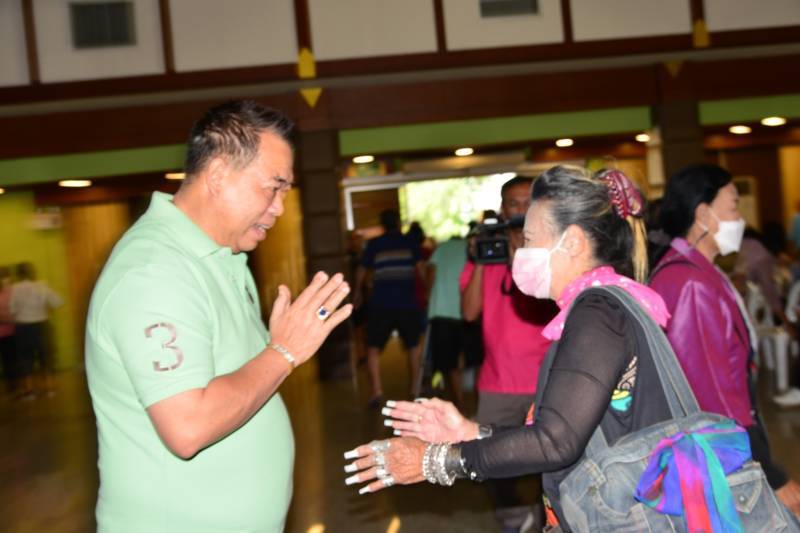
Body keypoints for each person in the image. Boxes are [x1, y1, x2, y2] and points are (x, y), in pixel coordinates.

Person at [345, 166, 676, 532]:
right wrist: (469, 432)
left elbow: (555, 443)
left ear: (573, 242)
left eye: (530, 240)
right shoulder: (602, 305)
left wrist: (435, 461)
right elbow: (566, 430)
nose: (521, 251)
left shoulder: (598, 314)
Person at [85, 100, 352, 533]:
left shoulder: (222, 255)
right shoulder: (154, 273)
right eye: (273, 187)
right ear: (218, 175)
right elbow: (188, 427)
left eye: (285, 191)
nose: (279, 207)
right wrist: (283, 352)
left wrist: (274, 351)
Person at [650, 163, 800, 517]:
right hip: (715, 451)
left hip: (720, 445)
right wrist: (769, 471)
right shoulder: (689, 283)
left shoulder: (700, 270)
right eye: (733, 207)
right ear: (703, 214)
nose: (740, 219)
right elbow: (710, 393)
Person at [460, 176, 558, 532]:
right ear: (502, 210)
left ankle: (547, 518)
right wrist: (481, 260)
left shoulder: (552, 252)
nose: (520, 210)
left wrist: (525, 254)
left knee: (551, 462)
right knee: (490, 461)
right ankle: (514, 518)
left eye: (527, 202)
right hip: (497, 382)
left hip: (546, 380)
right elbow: (469, 312)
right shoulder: (490, 252)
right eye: (513, 204)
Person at [353, 209, 426, 407]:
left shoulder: (374, 244)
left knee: (373, 347)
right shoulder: (410, 242)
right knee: (413, 346)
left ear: (383, 225)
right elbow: (421, 270)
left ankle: (376, 390)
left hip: (381, 304)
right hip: (407, 303)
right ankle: (415, 389)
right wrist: (426, 291)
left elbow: (361, 269)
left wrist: (357, 291)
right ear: (398, 223)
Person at [425, 234, 468, 408]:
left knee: (449, 363)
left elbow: (431, 273)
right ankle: (471, 402)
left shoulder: (442, 248)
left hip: (441, 311)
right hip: (467, 311)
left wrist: (428, 295)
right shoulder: (470, 248)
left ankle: (459, 401)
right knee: (468, 359)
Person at [10, 261, 62, 398]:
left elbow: (12, 309)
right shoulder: (42, 286)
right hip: (41, 325)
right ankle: (50, 389)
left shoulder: (15, 288)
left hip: (23, 327)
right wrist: (46, 309)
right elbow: (58, 302)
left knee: (25, 358)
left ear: (18, 274)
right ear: (33, 272)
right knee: (46, 357)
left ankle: (30, 390)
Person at [0, 266, 16, 395]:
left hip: (5, 330)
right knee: (11, 359)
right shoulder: (12, 290)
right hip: (11, 329)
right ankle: (13, 385)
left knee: (7, 360)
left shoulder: (11, 290)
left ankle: (11, 385)